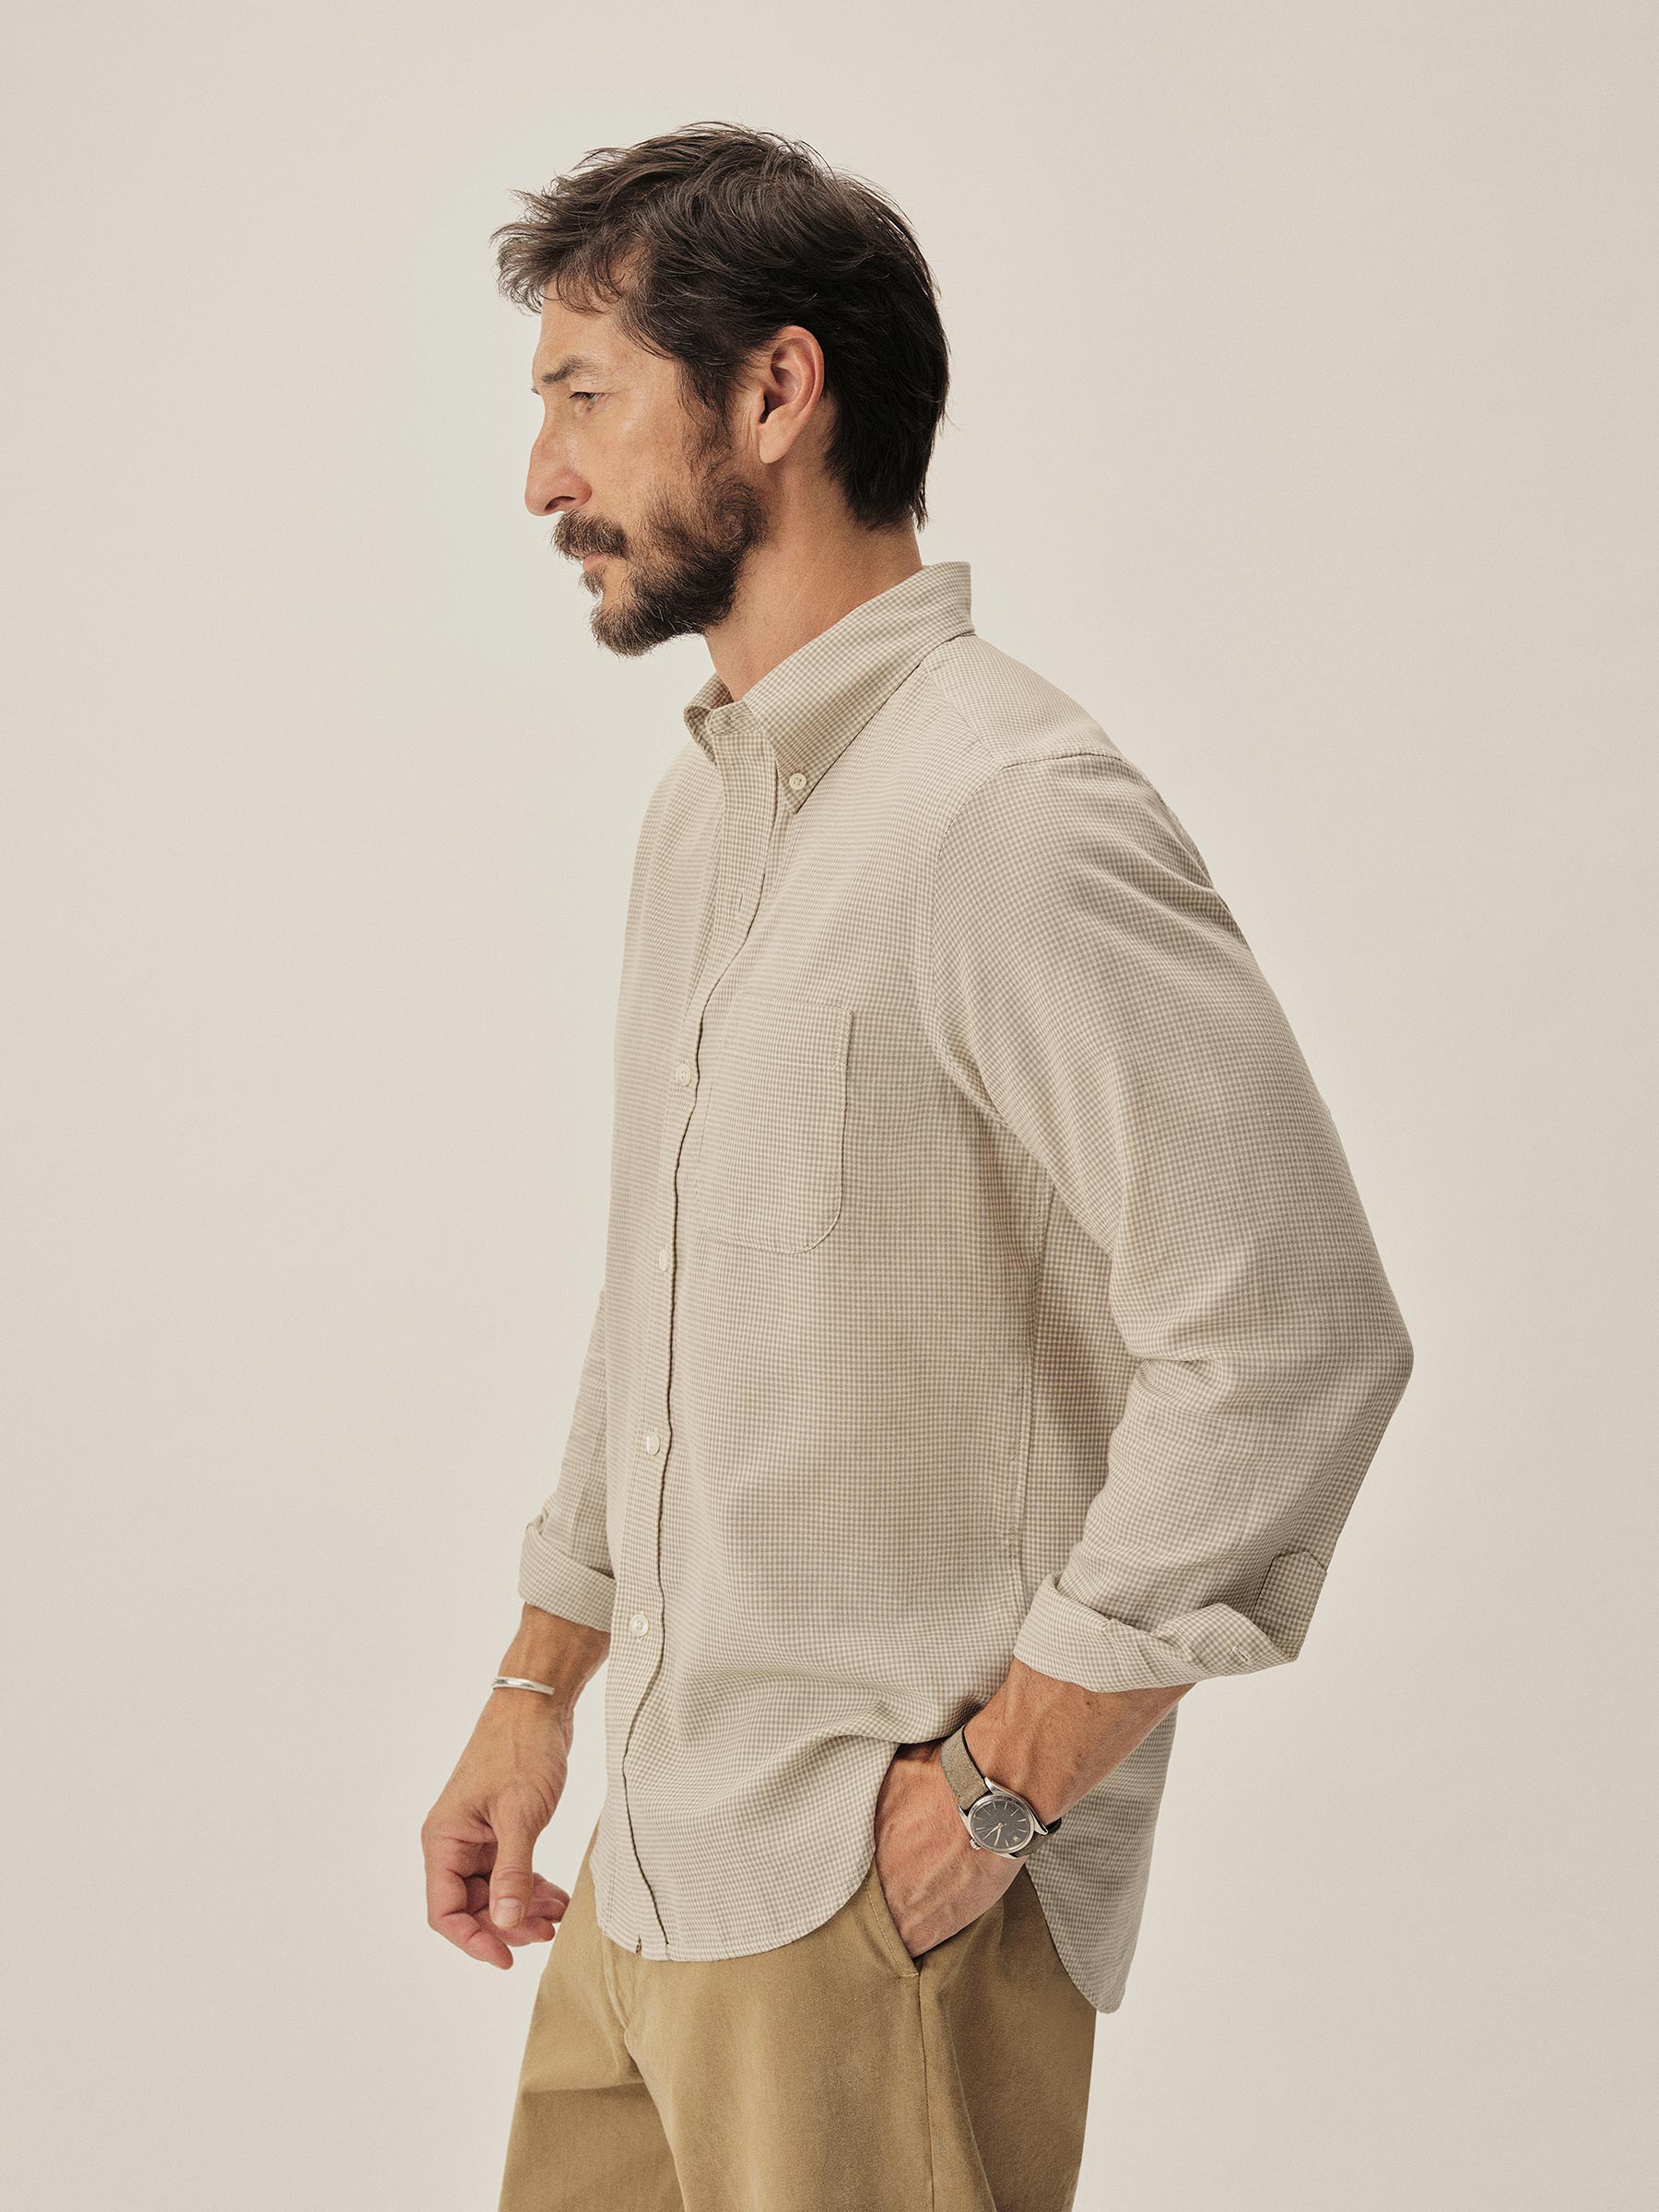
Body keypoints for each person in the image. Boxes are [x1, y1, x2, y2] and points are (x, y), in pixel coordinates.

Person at [419, 121, 1415, 2212]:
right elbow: (664, 1286)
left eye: (584, 397)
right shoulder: (706, 814)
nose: (541, 479)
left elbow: (1294, 1331)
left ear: (776, 393)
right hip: (652, 1868)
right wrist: (539, 1678)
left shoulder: (1008, 816)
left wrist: (1004, 1790)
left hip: (872, 1915)